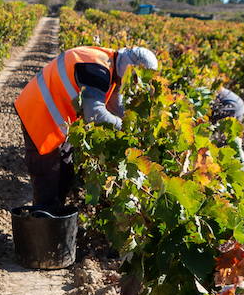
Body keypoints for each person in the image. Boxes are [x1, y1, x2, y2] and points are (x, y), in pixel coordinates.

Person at [14, 45, 159, 212]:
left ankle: (54, 216)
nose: (134, 84)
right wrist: (129, 132)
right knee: (47, 177)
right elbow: (95, 115)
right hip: (39, 111)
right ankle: (42, 226)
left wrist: (138, 127)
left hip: (58, 118)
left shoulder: (110, 64)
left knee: (65, 172)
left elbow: (114, 106)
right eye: (134, 79)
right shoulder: (98, 70)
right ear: (129, 68)